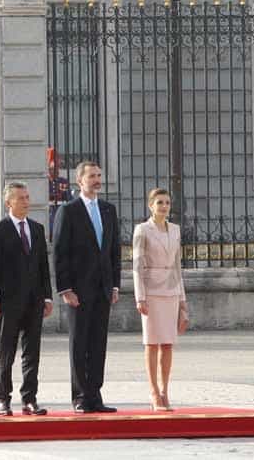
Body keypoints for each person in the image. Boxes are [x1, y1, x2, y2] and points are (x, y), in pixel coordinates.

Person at [53, 161, 121, 414]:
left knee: (97, 343)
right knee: (79, 343)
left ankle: (95, 394)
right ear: (79, 181)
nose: (96, 180)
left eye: (99, 175)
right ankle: (80, 395)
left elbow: (113, 250)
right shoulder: (68, 211)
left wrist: (115, 284)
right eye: (91, 176)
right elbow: (60, 253)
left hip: (103, 288)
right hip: (78, 290)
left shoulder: (108, 210)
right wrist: (65, 288)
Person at [0, 181, 53, 417]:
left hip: (34, 299)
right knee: (7, 351)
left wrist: (48, 296)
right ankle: (2, 398)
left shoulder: (36, 228)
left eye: (27, 197)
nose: (26, 201)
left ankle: (29, 398)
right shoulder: (0, 229)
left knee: (32, 351)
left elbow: (44, 265)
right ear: (8, 203)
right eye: (21, 198)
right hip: (9, 300)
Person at [132, 188, 188, 411]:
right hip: (151, 291)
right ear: (150, 206)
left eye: (167, 202)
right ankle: (153, 392)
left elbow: (177, 266)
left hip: (171, 291)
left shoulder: (175, 230)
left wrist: (183, 301)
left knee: (168, 343)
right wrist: (140, 297)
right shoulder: (142, 230)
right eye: (159, 203)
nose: (164, 207)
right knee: (152, 342)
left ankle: (165, 391)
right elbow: (137, 265)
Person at [47, 148, 73, 240]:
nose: (56, 171)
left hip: (61, 210)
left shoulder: (63, 181)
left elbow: (70, 198)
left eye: (57, 168)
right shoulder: (44, 182)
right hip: (49, 212)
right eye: (53, 169)